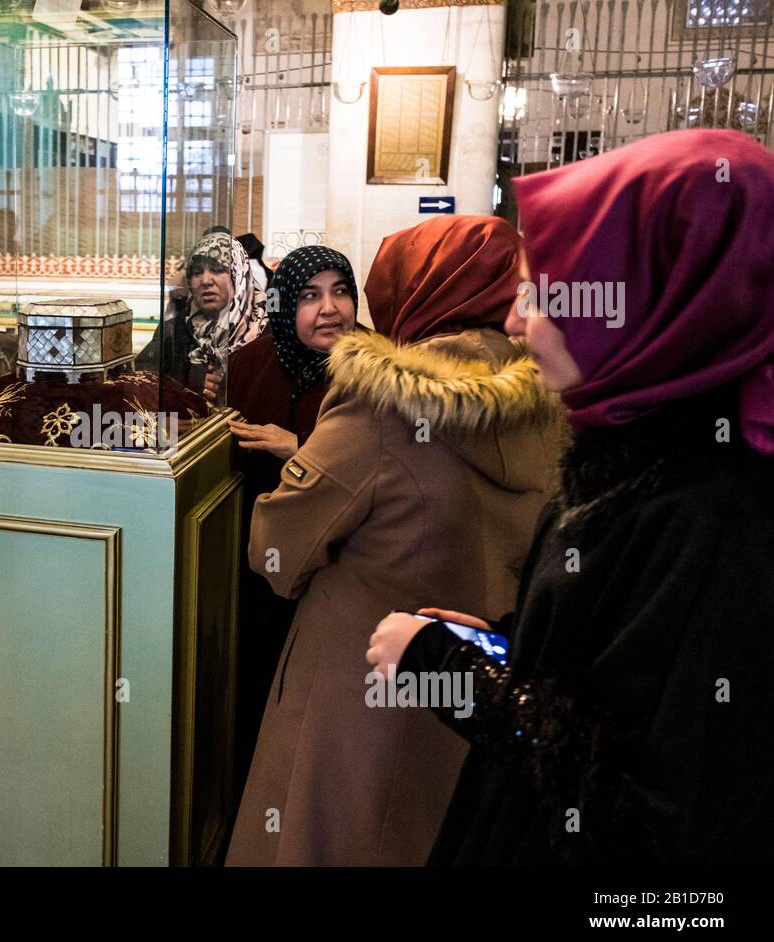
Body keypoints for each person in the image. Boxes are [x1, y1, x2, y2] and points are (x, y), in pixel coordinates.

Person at [367, 129, 774, 866]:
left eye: (542, 293)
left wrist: (445, 668)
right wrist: (510, 642)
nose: (516, 321)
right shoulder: (643, 443)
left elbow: (650, 819)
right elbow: (618, 660)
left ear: (650, 302)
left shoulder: (717, 511)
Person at [227, 215, 566, 866]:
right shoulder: (551, 398)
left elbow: (277, 551)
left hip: (359, 689)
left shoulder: (380, 403)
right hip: (474, 686)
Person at [223, 245, 358, 813]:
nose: (330, 309)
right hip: (255, 566)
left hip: (336, 573)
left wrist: (295, 449)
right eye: (309, 295)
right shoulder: (251, 362)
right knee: (254, 696)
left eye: (341, 291)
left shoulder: (373, 373)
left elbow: (382, 479)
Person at [137, 231, 268, 403]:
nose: (206, 280)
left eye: (218, 269)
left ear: (238, 273)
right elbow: (139, 379)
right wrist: (189, 383)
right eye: (197, 272)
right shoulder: (175, 329)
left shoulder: (265, 332)